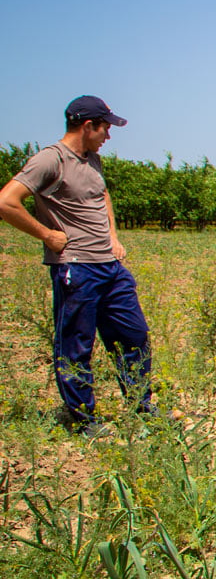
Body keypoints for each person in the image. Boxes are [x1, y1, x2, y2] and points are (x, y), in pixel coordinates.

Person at [0, 96, 154, 434]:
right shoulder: (50, 160)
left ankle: (141, 407)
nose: (108, 136)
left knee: (134, 335)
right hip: (76, 266)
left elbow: (101, 195)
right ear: (88, 126)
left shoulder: (92, 159)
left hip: (109, 266)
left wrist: (113, 234)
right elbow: (6, 202)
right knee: (76, 345)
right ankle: (85, 421)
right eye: (105, 128)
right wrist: (46, 234)